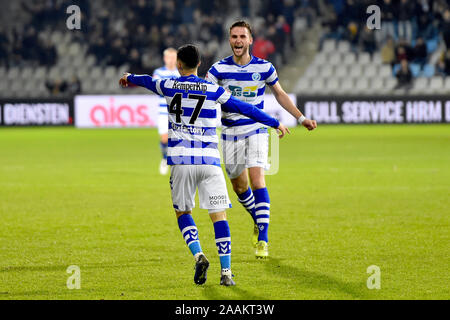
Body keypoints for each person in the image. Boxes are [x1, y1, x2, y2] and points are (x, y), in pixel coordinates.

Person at [119, 44, 290, 286]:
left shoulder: (168, 85)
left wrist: (129, 78)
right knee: (219, 216)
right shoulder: (213, 89)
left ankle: (199, 255)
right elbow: (244, 108)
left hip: (181, 161)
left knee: (183, 212)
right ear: (199, 64)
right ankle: (227, 273)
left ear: (178, 65)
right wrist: (273, 122)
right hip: (209, 162)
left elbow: (147, 80)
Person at [206, 21, 317, 259]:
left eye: (241, 36)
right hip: (229, 133)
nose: (237, 41)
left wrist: (300, 117)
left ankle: (263, 240)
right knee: (239, 187)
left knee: (258, 180)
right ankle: (259, 220)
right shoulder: (218, 70)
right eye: (234, 36)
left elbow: (280, 94)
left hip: (256, 129)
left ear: (250, 40)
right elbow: (204, 96)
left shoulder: (264, 67)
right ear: (230, 40)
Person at [152, 48, 180, 175]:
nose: (171, 60)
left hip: (178, 112)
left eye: (173, 57)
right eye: (169, 57)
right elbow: (158, 88)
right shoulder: (158, 72)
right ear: (165, 59)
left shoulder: (181, 72)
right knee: (164, 139)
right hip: (163, 111)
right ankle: (164, 159)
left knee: (179, 139)